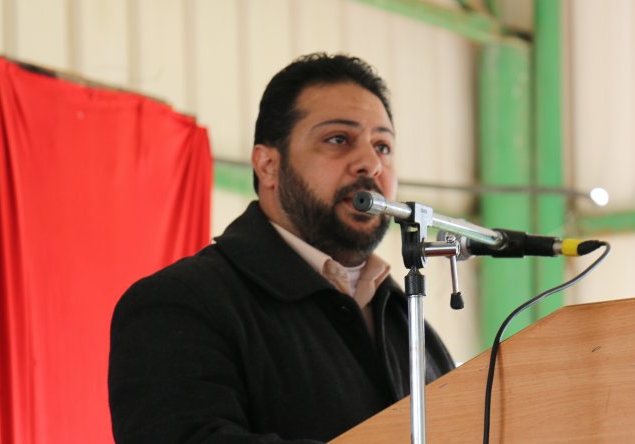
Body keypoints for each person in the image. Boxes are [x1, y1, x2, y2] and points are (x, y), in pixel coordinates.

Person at [108, 53, 455, 443]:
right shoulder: (180, 303)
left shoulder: (406, 318)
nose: (370, 163)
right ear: (268, 165)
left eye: (383, 146)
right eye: (338, 139)